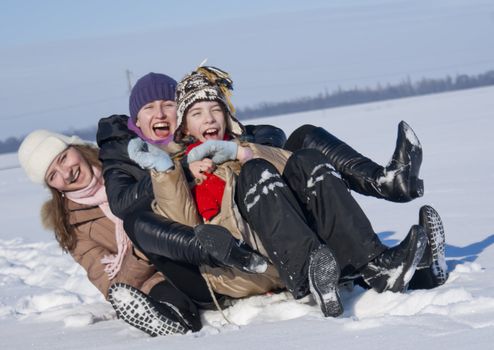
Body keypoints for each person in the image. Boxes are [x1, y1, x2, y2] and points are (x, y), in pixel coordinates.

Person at [130, 66, 448, 317]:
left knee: (308, 159)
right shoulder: (182, 167)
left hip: (281, 240)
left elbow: (294, 169)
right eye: (197, 113)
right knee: (256, 172)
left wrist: (243, 153)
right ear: (184, 126)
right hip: (243, 260)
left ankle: (376, 264)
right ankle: (311, 270)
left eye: (215, 109)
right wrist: (168, 171)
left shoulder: (242, 147)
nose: (209, 118)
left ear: (227, 116)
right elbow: (179, 222)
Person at [17, 130, 202, 336]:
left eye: (63, 158)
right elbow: (112, 285)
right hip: (155, 279)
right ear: (51, 187)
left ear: (76, 148)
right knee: (165, 297)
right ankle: (173, 318)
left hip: (190, 245)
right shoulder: (72, 226)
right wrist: (142, 250)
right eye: (53, 176)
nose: (67, 173)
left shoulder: (124, 165)